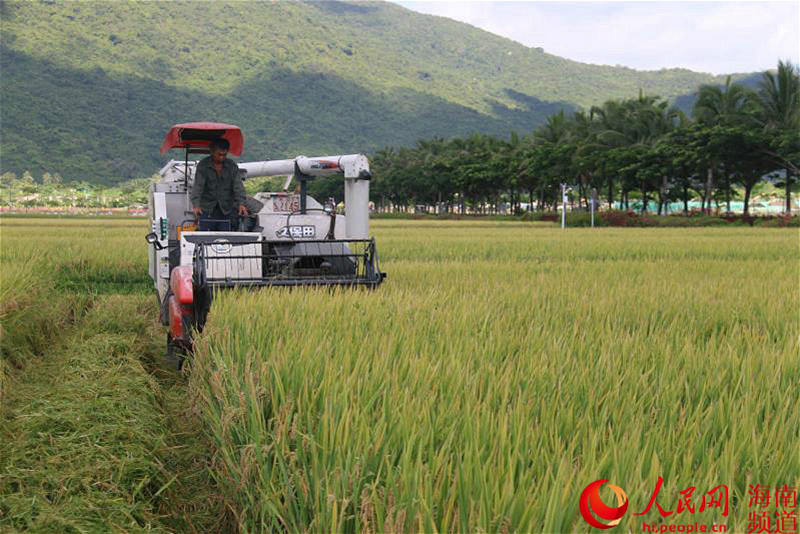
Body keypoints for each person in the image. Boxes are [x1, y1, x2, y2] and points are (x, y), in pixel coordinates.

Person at [191, 138, 248, 231]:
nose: (221, 157)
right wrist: (196, 205)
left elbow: (238, 186)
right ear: (212, 152)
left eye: (224, 155)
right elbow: (198, 187)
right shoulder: (203, 166)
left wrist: (242, 204)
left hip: (226, 210)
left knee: (224, 239)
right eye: (219, 154)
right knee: (206, 239)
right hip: (207, 209)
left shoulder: (232, 166)